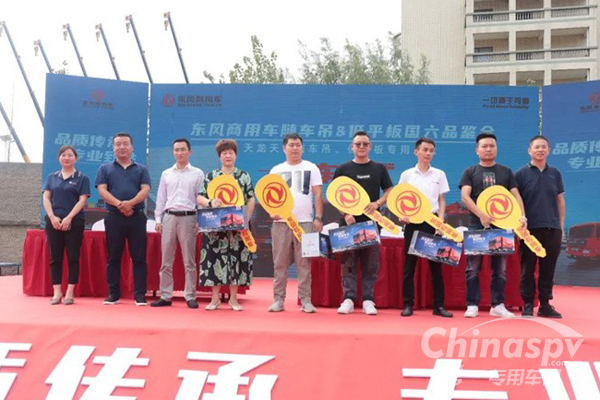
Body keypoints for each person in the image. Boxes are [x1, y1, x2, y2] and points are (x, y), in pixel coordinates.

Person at [459, 132, 526, 318]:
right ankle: (472, 304)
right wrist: (481, 215)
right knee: (473, 268)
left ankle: (497, 305)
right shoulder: (470, 172)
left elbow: (516, 196)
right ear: (477, 150)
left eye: (492, 146)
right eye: (484, 146)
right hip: (476, 227)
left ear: (496, 148)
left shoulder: (506, 171)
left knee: (500, 269)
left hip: (501, 228)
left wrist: (522, 216)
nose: (488, 149)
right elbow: (465, 197)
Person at [334, 131, 393, 316]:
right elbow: (334, 195)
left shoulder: (379, 168)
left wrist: (378, 203)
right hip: (348, 223)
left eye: (365, 144)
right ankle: (348, 299)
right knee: (348, 263)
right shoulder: (343, 169)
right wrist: (346, 213)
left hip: (371, 223)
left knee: (370, 264)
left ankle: (368, 299)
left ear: (370, 146)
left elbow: (389, 190)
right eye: (358, 144)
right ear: (352, 147)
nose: (361, 147)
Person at [267, 133, 323, 313]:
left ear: (302, 148)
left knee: (304, 263)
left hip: (305, 223)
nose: (295, 148)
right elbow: (268, 196)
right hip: (281, 223)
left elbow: (318, 193)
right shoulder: (276, 170)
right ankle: (278, 300)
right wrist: (272, 212)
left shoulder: (311, 168)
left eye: (298, 145)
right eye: (291, 145)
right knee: (280, 262)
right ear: (284, 148)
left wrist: (318, 218)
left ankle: (306, 300)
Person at [197, 139, 255, 311]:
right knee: (214, 258)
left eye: (231, 153)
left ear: (235, 155)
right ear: (219, 156)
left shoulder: (243, 176)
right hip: (216, 227)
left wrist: (246, 219)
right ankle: (214, 299)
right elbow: (200, 197)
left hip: (238, 227)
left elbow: (251, 198)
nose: (228, 156)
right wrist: (210, 202)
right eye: (224, 153)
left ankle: (233, 299)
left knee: (236, 258)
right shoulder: (211, 176)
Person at [399, 138, 453, 318]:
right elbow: (400, 199)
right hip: (412, 223)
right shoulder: (407, 175)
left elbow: (442, 200)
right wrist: (402, 214)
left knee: (436, 267)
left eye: (431, 150)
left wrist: (441, 222)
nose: (428, 153)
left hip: (432, 222)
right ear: (416, 152)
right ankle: (408, 304)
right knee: (409, 266)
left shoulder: (439, 174)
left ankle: (439, 306)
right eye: (425, 150)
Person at [95, 132, 151, 306]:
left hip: (137, 217)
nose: (122, 147)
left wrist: (130, 204)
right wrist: (120, 204)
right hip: (114, 217)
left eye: (125, 144)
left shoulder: (141, 169)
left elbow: (145, 190)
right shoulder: (105, 168)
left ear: (132, 147)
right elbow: (102, 190)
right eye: (118, 144)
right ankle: (113, 294)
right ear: (113, 148)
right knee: (113, 257)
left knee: (139, 257)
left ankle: (140, 294)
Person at [515, 135, 565, 318]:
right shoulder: (520, 174)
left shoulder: (555, 173)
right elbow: (515, 202)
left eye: (544, 147)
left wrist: (560, 225)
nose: (540, 150)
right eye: (536, 147)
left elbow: (560, 200)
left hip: (552, 229)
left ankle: (545, 304)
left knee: (548, 268)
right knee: (527, 268)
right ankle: (527, 303)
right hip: (529, 230)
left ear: (548, 150)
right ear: (529, 150)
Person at [151, 138, 204, 309]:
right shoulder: (166, 173)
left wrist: (200, 221)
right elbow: (161, 199)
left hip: (189, 217)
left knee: (189, 260)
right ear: (173, 152)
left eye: (183, 149)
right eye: (176, 150)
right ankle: (165, 295)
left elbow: (200, 199)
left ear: (190, 152)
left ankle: (190, 295)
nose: (179, 153)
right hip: (169, 217)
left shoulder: (197, 173)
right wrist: (158, 219)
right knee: (166, 260)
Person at [42, 145, 90, 305]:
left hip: (74, 221)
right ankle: (57, 292)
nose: (66, 158)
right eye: (63, 155)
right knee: (55, 257)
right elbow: (46, 198)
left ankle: (70, 291)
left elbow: (82, 200)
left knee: (73, 256)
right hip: (53, 221)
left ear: (76, 158)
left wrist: (69, 218)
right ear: (59, 158)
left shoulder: (82, 178)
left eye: (70, 155)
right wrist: (52, 216)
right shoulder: (52, 177)